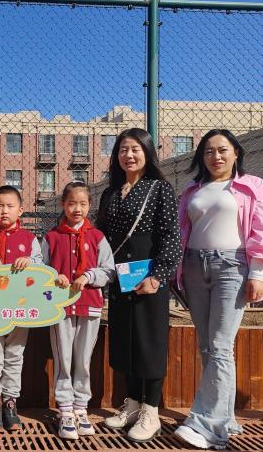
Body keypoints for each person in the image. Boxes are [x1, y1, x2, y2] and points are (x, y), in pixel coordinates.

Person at [173, 129, 263, 450]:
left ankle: (207, 426)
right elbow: (183, 230)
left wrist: (257, 273)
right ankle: (225, 418)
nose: (216, 156)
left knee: (221, 346)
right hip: (194, 266)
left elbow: (259, 230)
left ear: (236, 152)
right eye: (209, 151)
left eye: (223, 150)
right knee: (208, 347)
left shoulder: (252, 186)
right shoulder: (192, 189)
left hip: (232, 267)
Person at [96, 128, 181, 443]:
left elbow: (171, 236)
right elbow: (101, 236)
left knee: (150, 343)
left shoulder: (159, 189)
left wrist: (157, 276)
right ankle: (131, 404)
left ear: (147, 152)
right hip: (121, 278)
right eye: (122, 150)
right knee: (125, 340)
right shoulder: (110, 193)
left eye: (135, 149)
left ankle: (150, 411)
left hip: (148, 278)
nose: (128, 155)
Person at [42, 181, 116, 440]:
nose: (77, 209)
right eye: (72, 203)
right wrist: (54, 276)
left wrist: (88, 276)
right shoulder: (51, 237)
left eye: (83, 204)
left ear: (89, 206)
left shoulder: (97, 237)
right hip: (60, 307)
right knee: (63, 357)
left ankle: (81, 408)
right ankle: (65, 409)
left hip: (90, 305)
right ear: (63, 205)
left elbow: (108, 270)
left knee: (84, 359)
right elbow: (41, 268)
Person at [0, 185, 42, 433]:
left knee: (14, 355)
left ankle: (10, 402)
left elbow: (40, 266)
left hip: (19, 308)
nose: (4, 211)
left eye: (10, 206)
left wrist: (30, 262)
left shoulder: (30, 239)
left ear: (20, 210)